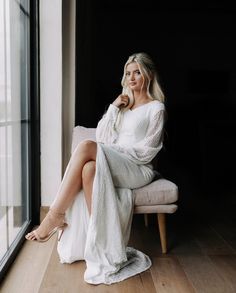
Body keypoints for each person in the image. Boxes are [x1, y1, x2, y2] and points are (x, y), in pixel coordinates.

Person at [25, 52, 166, 284]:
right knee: (89, 169)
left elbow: (148, 151)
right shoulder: (123, 106)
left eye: (137, 72)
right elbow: (103, 136)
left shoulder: (156, 108)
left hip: (138, 168)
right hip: (117, 161)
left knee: (87, 147)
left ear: (148, 75)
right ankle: (98, 242)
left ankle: (55, 216)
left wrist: (114, 153)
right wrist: (113, 107)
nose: (131, 78)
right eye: (128, 73)